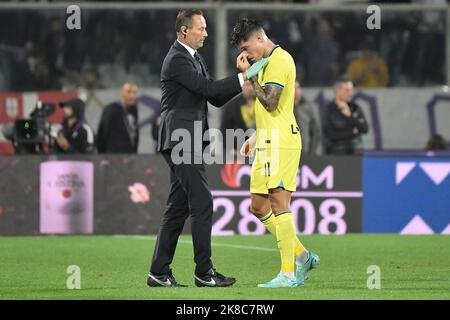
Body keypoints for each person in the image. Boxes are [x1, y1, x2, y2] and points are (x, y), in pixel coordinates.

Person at [147, 9, 267, 288]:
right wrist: (246, 76)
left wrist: (242, 77)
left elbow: (212, 98)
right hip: (180, 138)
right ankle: (204, 272)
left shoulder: (192, 58)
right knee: (202, 201)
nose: (206, 33)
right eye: (201, 28)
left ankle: (159, 272)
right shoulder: (177, 59)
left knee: (178, 207)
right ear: (183, 31)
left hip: (184, 137)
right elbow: (210, 89)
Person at [231, 18, 319, 288]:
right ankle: (303, 255)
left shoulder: (280, 60)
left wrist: (251, 75)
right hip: (268, 140)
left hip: (282, 141)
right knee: (258, 206)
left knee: (280, 204)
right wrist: (256, 137)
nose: (245, 55)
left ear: (259, 39)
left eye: (246, 47)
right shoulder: (265, 61)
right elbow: (276, 110)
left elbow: (271, 102)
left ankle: (288, 273)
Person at [323, 78, 369, 155]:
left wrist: (350, 116)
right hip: (336, 153)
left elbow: (365, 128)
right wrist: (352, 132)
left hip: (356, 152)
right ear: (338, 91)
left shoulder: (355, 108)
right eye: (347, 90)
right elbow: (330, 134)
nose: (351, 93)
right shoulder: (329, 109)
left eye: (351, 90)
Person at [97, 82, 139, 153]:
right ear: (122, 92)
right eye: (128, 92)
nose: (132, 96)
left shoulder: (134, 110)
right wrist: (102, 153)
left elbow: (135, 134)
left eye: (134, 92)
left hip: (129, 155)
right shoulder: (112, 108)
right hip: (113, 154)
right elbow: (102, 131)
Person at [220, 81, 256, 160]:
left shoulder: (264, 104)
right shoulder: (232, 106)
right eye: (247, 85)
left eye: (252, 85)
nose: (250, 88)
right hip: (239, 152)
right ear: (241, 87)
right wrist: (230, 148)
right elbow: (225, 129)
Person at [294, 80, 321, 155]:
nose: (296, 91)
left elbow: (316, 132)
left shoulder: (310, 107)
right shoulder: (284, 108)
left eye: (298, 88)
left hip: (306, 152)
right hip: (289, 151)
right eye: (293, 88)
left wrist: (312, 152)